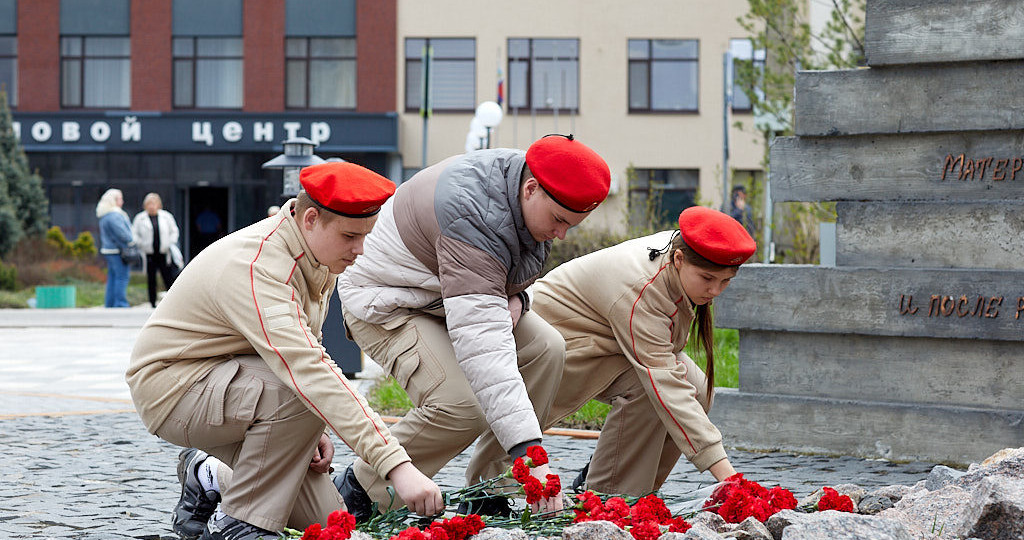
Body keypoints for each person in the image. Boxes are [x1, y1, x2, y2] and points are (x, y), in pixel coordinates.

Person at [126, 162, 443, 540]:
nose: (360, 250)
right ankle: (243, 526)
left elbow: (305, 345)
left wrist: (312, 431)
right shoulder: (261, 266)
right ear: (311, 218)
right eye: (350, 236)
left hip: (232, 382)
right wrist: (397, 467)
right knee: (300, 395)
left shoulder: (315, 252)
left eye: (366, 236)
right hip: (172, 388)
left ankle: (207, 474)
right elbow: (309, 370)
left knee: (327, 524)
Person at [335, 134, 611, 520]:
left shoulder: (533, 184)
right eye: (560, 221)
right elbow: (485, 351)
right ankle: (363, 490)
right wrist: (532, 459)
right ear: (530, 189)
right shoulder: (473, 215)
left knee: (547, 349)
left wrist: (519, 299)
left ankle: (488, 489)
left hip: (447, 295)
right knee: (461, 405)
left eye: (572, 226)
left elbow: (504, 279)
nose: (562, 234)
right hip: (388, 300)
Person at [528, 206, 756, 496]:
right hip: (557, 342)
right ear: (679, 259)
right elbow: (664, 380)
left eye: (725, 282)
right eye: (707, 279)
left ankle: (636, 489)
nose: (715, 291)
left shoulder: (681, 255)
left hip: (609, 341)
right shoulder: (644, 287)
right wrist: (728, 477)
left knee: (698, 390)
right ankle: (610, 497)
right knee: (653, 389)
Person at [132, 193, 182, 308]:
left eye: (154, 203)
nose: (151, 206)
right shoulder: (140, 218)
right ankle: (152, 302)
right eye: (149, 204)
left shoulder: (166, 216)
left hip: (164, 253)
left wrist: (170, 242)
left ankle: (173, 301)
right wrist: (141, 244)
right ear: (145, 205)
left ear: (158, 205)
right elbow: (134, 233)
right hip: (149, 253)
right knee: (151, 279)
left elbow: (174, 231)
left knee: (168, 277)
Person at [96, 188, 135, 308]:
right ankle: (121, 303)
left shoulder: (105, 214)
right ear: (113, 200)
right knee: (122, 277)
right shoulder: (115, 215)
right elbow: (123, 234)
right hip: (118, 251)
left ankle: (110, 303)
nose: (122, 201)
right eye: (120, 199)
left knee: (113, 277)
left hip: (109, 250)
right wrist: (131, 240)